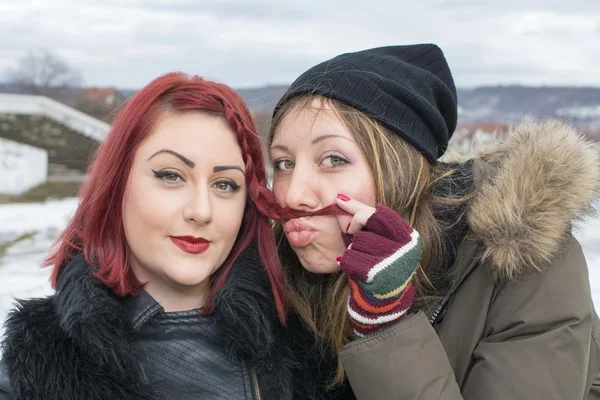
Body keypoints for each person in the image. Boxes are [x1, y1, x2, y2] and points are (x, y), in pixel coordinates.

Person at [268, 44, 600, 399]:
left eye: (333, 159)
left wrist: (385, 320)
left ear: (402, 173)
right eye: (284, 163)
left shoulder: (525, 267)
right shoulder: (268, 266)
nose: (291, 194)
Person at [0, 73, 352, 400]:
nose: (201, 211)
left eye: (225, 184)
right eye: (171, 175)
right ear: (116, 185)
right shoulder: (30, 371)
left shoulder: (314, 349)